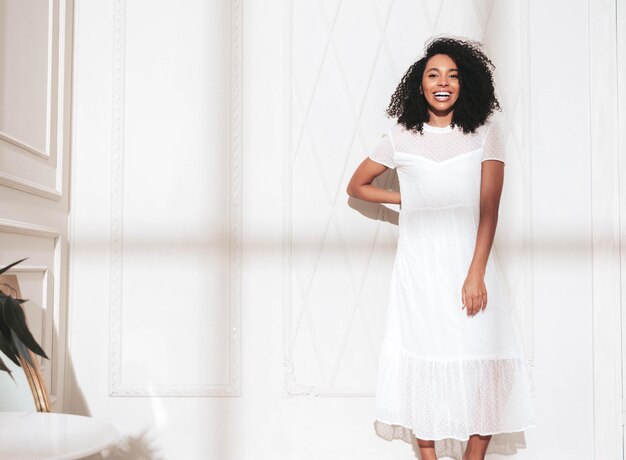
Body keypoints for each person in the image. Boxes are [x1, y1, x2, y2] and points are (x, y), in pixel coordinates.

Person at [346, 36, 536, 460]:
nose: (442, 82)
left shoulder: (486, 135)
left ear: (464, 84)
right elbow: (357, 185)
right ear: (420, 85)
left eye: (452, 75)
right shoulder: (399, 138)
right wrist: (407, 198)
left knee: (488, 363)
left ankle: (474, 457)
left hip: (472, 267)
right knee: (423, 360)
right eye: (433, 74)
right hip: (420, 271)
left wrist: (475, 273)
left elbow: (489, 211)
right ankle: (428, 457)